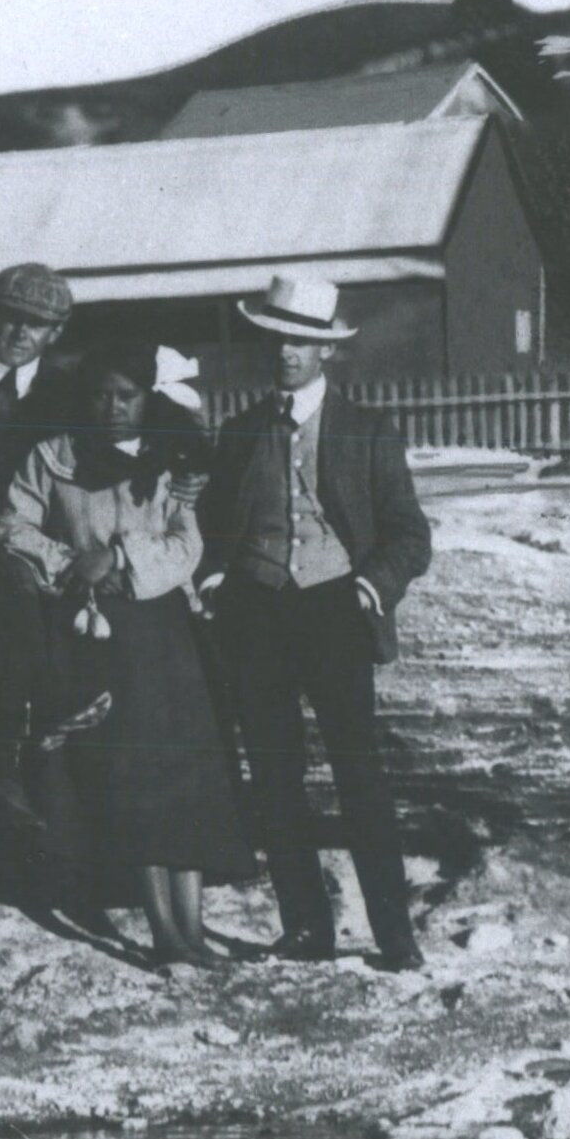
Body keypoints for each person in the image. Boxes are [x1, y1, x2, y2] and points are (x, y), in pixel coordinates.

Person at [195, 270, 433, 972]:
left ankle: (394, 934)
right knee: (273, 774)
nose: (284, 354)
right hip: (257, 611)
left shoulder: (366, 429)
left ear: (324, 350)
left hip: (334, 609)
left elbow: (409, 536)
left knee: (359, 775)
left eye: (300, 342)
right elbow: (216, 524)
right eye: (274, 339)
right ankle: (305, 927)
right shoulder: (239, 432)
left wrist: (368, 588)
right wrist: (216, 574)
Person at [0, 337, 257, 968]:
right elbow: (11, 525)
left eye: (127, 396)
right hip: (96, 634)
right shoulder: (52, 457)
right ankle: (163, 929)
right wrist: (71, 563)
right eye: (102, 396)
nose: (113, 408)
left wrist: (122, 558)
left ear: (148, 399)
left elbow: (186, 542)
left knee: (185, 774)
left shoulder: (172, 459)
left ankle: (194, 928)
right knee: (134, 775)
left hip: (164, 630)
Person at [0, 262, 78, 514]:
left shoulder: (66, 390)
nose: (21, 334)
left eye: (35, 324)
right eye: (12, 319)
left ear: (55, 332)